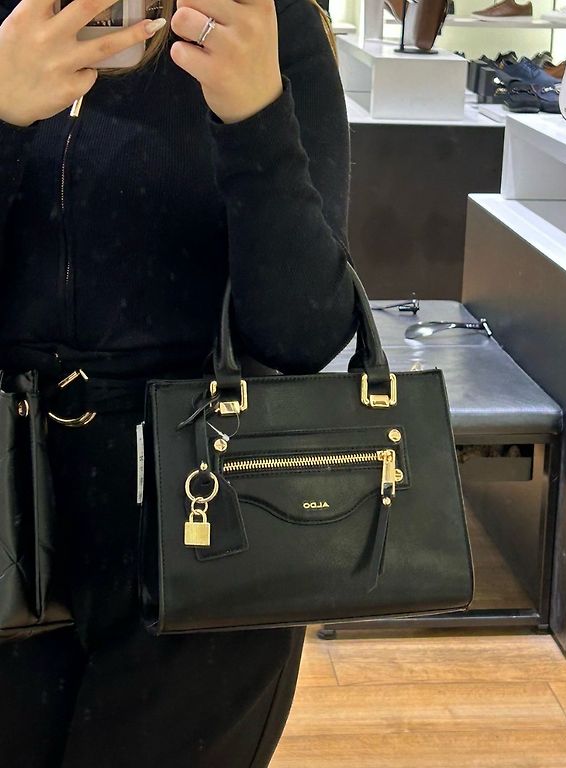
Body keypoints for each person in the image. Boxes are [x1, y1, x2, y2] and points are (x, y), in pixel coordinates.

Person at [0, 0, 359, 762]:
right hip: (6, 518)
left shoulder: (270, 22)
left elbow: (303, 335)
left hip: (211, 534)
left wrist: (255, 118)